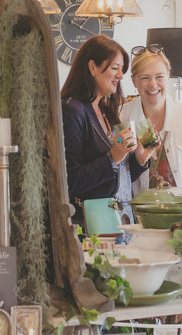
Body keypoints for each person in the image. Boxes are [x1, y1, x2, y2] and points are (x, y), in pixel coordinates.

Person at [61, 35, 156, 229]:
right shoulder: (72, 110)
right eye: (114, 68)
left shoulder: (106, 110)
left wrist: (140, 160)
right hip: (91, 227)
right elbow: (69, 181)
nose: (121, 76)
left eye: (122, 69)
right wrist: (113, 157)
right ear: (92, 67)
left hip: (118, 222)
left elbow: (116, 179)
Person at [120, 44, 182, 194]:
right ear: (134, 81)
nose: (152, 84)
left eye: (159, 77)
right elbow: (119, 178)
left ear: (168, 77)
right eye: (145, 77)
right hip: (140, 215)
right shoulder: (122, 117)